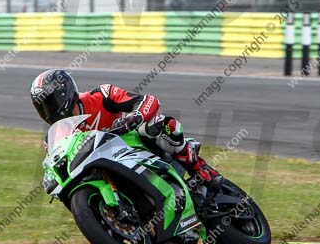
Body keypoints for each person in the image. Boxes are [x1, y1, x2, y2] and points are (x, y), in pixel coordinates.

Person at [30, 69, 221, 185]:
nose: (48, 110)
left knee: (159, 124)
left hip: (132, 144)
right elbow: (55, 166)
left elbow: (148, 100)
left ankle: (200, 168)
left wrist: (134, 117)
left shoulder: (101, 95)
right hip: (103, 169)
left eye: (50, 102)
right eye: (42, 106)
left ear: (66, 94)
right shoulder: (54, 137)